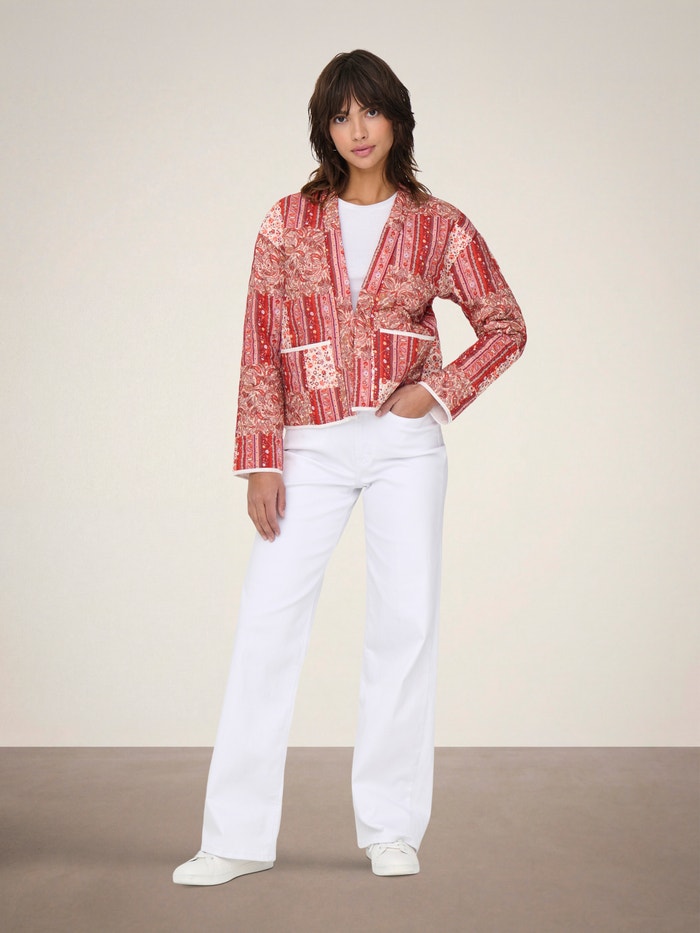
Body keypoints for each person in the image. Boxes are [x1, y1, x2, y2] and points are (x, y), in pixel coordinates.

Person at [173, 49, 526, 886]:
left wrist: (435, 392)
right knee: (267, 624)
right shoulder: (286, 221)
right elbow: (260, 342)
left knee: (404, 625)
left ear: (397, 117)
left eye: (369, 110)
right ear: (323, 129)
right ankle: (234, 837)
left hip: (405, 447)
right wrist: (261, 460)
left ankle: (392, 828)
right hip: (308, 444)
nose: (357, 129)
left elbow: (505, 323)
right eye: (340, 115)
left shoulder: (441, 225)